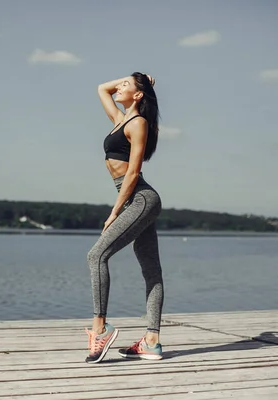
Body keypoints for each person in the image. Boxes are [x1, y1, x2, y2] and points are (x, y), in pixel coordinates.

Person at [84, 72, 164, 364]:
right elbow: (100, 87)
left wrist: (115, 211)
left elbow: (133, 171)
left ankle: (100, 328)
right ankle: (151, 343)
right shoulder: (120, 118)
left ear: (139, 96)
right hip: (133, 198)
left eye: (126, 86)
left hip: (140, 198)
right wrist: (132, 78)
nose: (118, 88)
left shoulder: (139, 123)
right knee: (150, 269)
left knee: (96, 255)